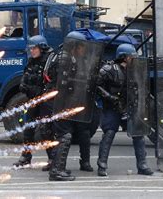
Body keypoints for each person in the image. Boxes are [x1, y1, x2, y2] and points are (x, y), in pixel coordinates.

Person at [96, 43, 154, 177]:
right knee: (109, 133)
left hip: (128, 107)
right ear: (124, 57)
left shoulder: (135, 70)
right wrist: (110, 97)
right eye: (131, 57)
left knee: (138, 134)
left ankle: (142, 165)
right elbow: (97, 86)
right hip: (112, 107)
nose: (133, 59)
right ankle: (102, 165)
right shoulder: (109, 69)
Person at [48, 31, 95, 181]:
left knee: (63, 135)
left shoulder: (67, 57)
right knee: (64, 136)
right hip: (61, 102)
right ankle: (56, 170)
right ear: (74, 46)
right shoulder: (65, 58)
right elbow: (62, 81)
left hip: (64, 102)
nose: (83, 50)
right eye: (81, 46)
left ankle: (58, 167)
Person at [13, 35, 56, 170]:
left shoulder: (50, 61)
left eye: (34, 48)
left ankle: (52, 159)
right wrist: (24, 86)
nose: (32, 51)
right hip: (33, 99)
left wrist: (42, 91)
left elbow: (53, 82)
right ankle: (26, 157)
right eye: (31, 48)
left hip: (45, 100)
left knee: (45, 130)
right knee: (28, 127)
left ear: (42, 48)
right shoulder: (32, 62)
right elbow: (25, 77)